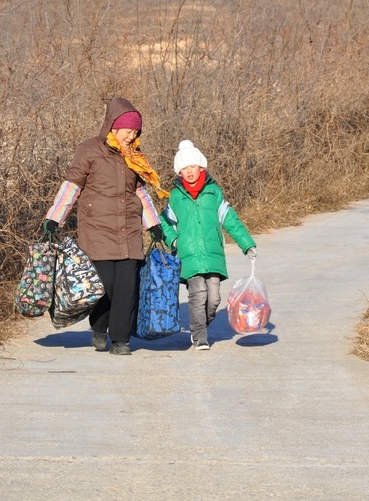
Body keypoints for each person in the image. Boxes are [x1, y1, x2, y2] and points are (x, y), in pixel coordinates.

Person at [42, 97, 167, 356]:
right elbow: (73, 185)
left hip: (129, 229)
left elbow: (140, 192)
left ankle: (120, 340)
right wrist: (55, 217)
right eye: (129, 131)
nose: (132, 136)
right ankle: (99, 327)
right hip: (97, 228)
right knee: (105, 284)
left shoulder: (135, 156)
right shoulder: (89, 150)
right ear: (114, 127)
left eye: (136, 132)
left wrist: (153, 224)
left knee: (126, 288)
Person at [159, 140, 256, 351]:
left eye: (192, 166)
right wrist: (174, 240)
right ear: (179, 172)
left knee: (213, 298)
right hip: (189, 255)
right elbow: (164, 222)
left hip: (213, 255)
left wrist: (247, 244)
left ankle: (201, 324)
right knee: (198, 294)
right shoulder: (176, 196)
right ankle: (199, 336)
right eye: (184, 169)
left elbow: (230, 219)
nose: (189, 172)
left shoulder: (213, 193)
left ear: (201, 167)